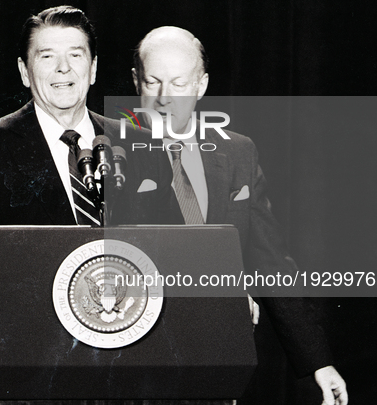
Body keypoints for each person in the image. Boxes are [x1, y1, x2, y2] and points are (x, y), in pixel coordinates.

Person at [131, 26, 348, 405]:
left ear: (201, 85)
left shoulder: (238, 154)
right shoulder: (111, 152)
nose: (164, 99)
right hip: (141, 363)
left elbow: (270, 260)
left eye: (179, 84)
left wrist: (318, 362)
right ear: (136, 82)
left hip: (217, 362)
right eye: (153, 82)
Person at [0, 6, 174, 317]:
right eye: (47, 57)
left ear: (93, 68)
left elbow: (176, 243)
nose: (63, 68)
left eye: (75, 55)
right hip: (32, 331)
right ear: (24, 71)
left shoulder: (141, 143)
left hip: (130, 325)